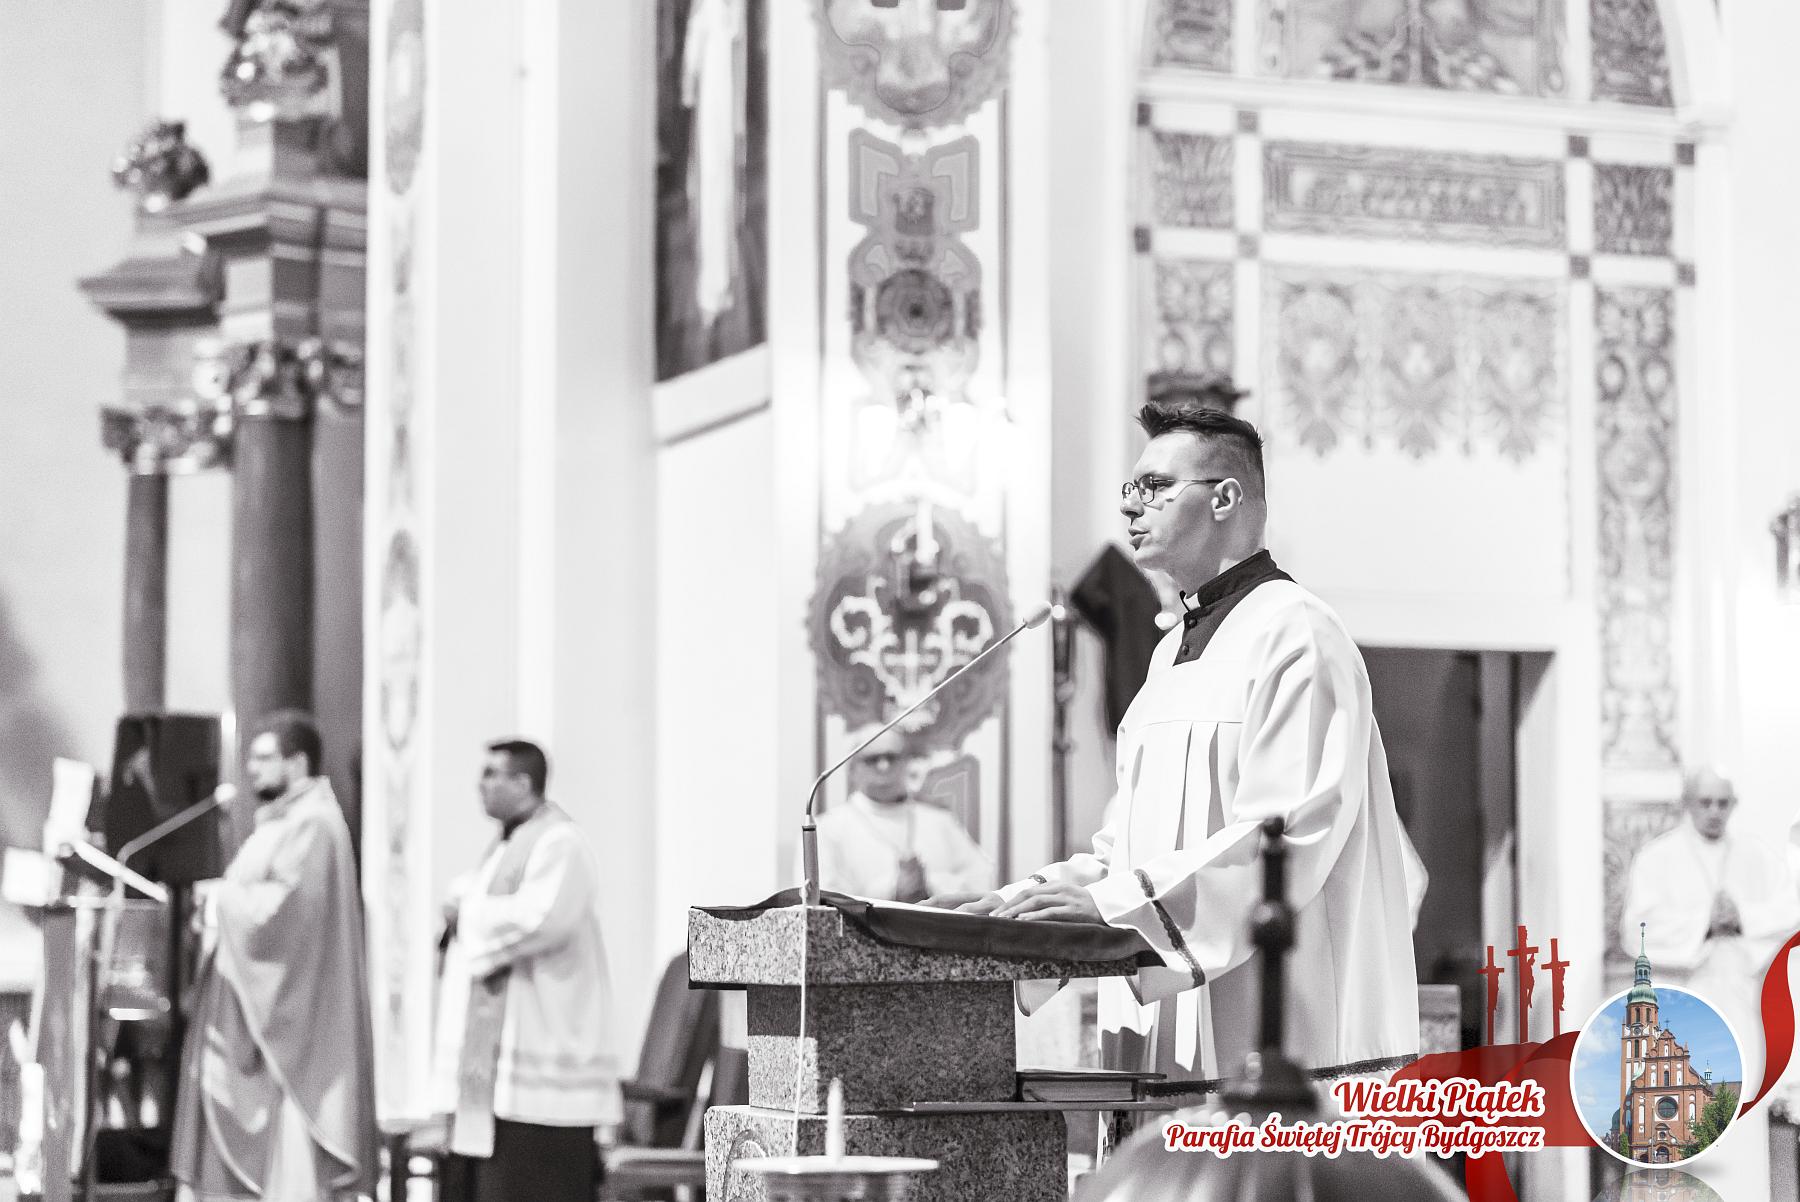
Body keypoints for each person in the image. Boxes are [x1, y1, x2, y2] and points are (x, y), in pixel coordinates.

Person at [930, 394, 1424, 1082]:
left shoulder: (1298, 634)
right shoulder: (1169, 656)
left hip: (1280, 1034)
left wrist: (1113, 907)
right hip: (1163, 1027)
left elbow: (1284, 837)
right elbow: (1127, 847)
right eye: (1130, 487)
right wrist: (1019, 910)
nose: (1129, 506)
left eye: (1155, 486)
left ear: (1225, 497)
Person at [171, 710, 377, 1202]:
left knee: (286, 1163)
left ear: (298, 762)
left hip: (287, 1021)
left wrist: (221, 900)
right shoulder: (281, 823)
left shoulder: (314, 825)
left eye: (265, 758)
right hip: (246, 1005)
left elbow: (287, 915)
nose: (252, 769)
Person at [431, 739, 621, 1202]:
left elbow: (540, 919)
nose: (480, 784)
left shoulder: (561, 842)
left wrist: (467, 912)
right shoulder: (510, 844)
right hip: (499, 1086)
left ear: (523, 782)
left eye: (492, 773)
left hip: (544, 1081)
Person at [1620, 766, 1798, 1200]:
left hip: (1739, 1000)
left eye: (1723, 803)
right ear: (1687, 804)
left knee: (1740, 1108)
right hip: (1683, 1006)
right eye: (1705, 802)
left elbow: (1790, 909)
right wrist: (1704, 922)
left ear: (1733, 805)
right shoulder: (1657, 858)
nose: (1715, 812)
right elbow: (1634, 931)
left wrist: (1742, 918)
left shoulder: (1755, 855)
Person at [815, 725, 994, 903]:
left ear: (906, 763)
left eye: (891, 757)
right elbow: (822, 896)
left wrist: (930, 886)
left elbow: (982, 879)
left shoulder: (939, 821)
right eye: (872, 759)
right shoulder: (828, 828)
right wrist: (891, 889)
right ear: (853, 769)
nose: (884, 766)